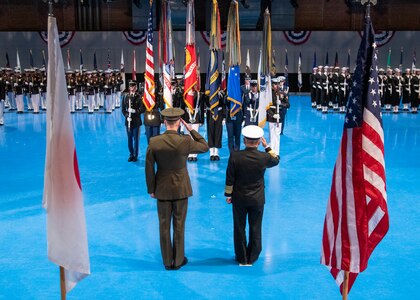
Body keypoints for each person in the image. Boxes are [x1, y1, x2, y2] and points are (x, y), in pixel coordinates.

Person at [145, 107, 209, 270]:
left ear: (164, 122)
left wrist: (151, 188)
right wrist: (191, 130)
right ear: (179, 123)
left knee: (164, 225)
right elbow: (204, 146)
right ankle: (179, 260)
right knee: (179, 225)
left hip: (162, 188)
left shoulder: (154, 141)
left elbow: (149, 167)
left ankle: (167, 261)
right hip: (181, 188)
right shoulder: (185, 141)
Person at [224, 125, 279, 266]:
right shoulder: (264, 157)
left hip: (239, 198)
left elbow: (230, 178)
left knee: (239, 227)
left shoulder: (235, 156)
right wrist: (267, 147)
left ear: (244, 140)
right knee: (256, 227)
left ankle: (241, 257)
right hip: (257, 199)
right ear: (259, 142)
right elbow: (276, 159)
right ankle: (252, 257)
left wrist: (228, 194)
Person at [122, 81, 145, 162]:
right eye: (131, 86)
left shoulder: (139, 97)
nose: (132, 88)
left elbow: (142, 109)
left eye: (134, 86)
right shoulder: (125, 97)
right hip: (128, 122)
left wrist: (135, 111)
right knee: (129, 139)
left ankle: (135, 155)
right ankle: (131, 154)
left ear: (136, 87)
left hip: (136, 122)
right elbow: (123, 110)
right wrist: (126, 116)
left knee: (136, 139)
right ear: (129, 87)